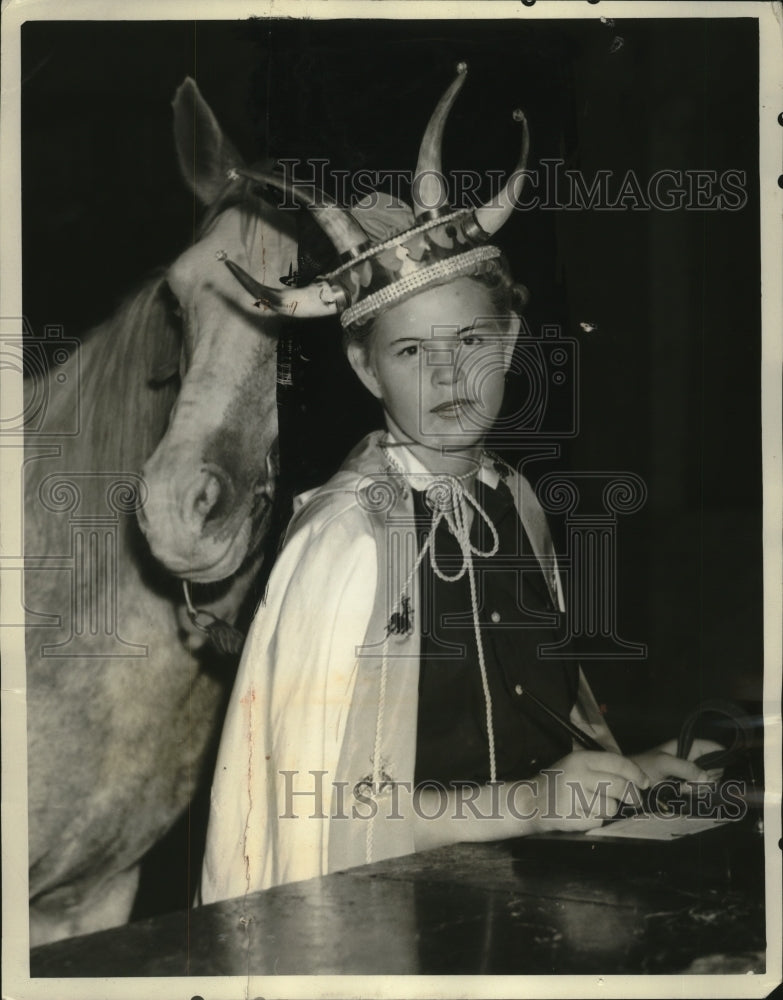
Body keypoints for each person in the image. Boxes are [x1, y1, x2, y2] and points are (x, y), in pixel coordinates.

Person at [200, 64, 715, 905]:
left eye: (470, 341)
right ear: (366, 370)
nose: (447, 375)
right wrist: (528, 804)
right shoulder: (347, 540)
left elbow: (537, 722)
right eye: (410, 352)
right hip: (394, 916)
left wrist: (624, 768)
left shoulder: (514, 502)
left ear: (509, 343)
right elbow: (315, 815)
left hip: (524, 896)